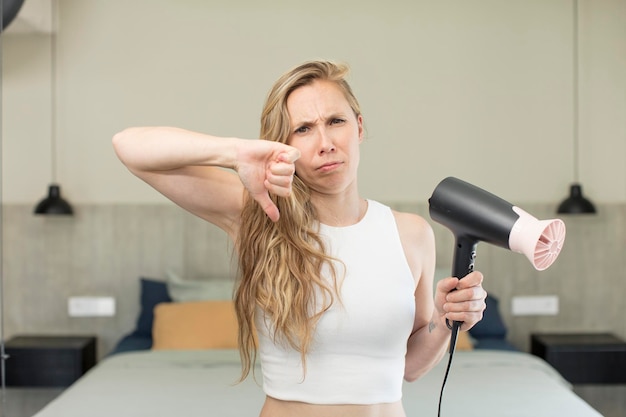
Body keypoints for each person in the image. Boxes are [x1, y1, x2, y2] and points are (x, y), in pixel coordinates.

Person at [112, 60, 486, 417]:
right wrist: (236, 153)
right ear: (281, 144)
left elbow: (410, 367)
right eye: (303, 129)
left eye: (335, 121)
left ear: (358, 127)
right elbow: (129, 146)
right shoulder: (259, 216)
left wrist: (444, 318)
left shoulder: (411, 233)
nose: (325, 143)